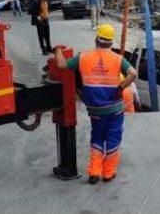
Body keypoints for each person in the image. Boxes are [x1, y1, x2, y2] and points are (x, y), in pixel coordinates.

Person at [54, 24, 137, 184]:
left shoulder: (83, 57)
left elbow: (62, 65)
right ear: (111, 43)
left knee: (97, 138)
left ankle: (94, 172)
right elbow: (133, 73)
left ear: (96, 39)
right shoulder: (118, 59)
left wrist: (57, 50)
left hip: (95, 110)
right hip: (114, 109)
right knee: (113, 138)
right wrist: (121, 87)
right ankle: (108, 173)